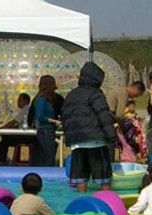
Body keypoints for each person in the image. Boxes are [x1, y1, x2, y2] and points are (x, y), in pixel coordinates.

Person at [62, 62, 116, 190]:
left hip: (77, 142)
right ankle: (106, 198)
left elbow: (64, 115)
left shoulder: (71, 94)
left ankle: (82, 196)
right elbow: (103, 115)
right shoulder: (96, 94)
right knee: (104, 176)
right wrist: (111, 135)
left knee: (80, 175)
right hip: (95, 140)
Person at [30, 75, 61, 166]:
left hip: (44, 131)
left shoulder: (41, 99)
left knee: (44, 157)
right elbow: (40, 116)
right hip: (46, 131)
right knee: (49, 157)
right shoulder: (42, 99)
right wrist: (55, 121)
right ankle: (48, 173)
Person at [0, 92, 32, 164]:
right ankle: (2, 159)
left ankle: (1, 160)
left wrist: (2, 128)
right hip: (25, 135)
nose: (18, 102)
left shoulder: (26, 109)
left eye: (20, 100)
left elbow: (14, 122)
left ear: (26, 101)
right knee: (4, 138)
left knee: (4, 140)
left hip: (25, 136)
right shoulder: (26, 110)